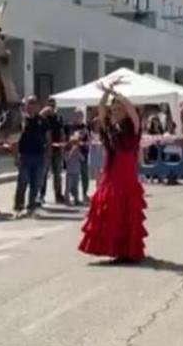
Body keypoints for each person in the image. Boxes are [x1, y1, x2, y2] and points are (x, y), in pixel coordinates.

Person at [79, 78, 146, 263]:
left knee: (126, 214)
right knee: (109, 213)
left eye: (118, 108)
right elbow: (101, 109)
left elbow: (132, 111)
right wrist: (107, 93)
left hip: (126, 176)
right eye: (114, 108)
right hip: (110, 175)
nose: (115, 110)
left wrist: (118, 95)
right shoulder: (109, 128)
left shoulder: (133, 127)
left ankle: (128, 251)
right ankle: (114, 249)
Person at [13, 96, 49, 217]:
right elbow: (15, 140)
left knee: (36, 183)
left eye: (35, 103)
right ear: (26, 105)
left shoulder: (42, 120)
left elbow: (48, 138)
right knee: (23, 182)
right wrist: (16, 156)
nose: (33, 105)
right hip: (25, 155)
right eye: (30, 103)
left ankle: (31, 207)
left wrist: (48, 153)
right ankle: (18, 207)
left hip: (39, 155)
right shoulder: (21, 120)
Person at [39, 99, 66, 204]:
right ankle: (41, 194)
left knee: (58, 174)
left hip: (57, 149)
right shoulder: (43, 118)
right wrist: (44, 112)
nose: (51, 107)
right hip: (45, 149)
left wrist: (62, 148)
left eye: (53, 105)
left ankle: (58, 195)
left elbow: (62, 132)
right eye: (50, 105)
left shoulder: (58, 118)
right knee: (44, 173)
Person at [65, 130, 85, 205]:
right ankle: (67, 200)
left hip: (76, 171)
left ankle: (76, 199)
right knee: (68, 187)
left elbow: (82, 159)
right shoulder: (67, 151)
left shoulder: (78, 151)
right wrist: (71, 152)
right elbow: (66, 160)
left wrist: (78, 153)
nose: (75, 144)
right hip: (69, 171)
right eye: (73, 142)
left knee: (76, 187)